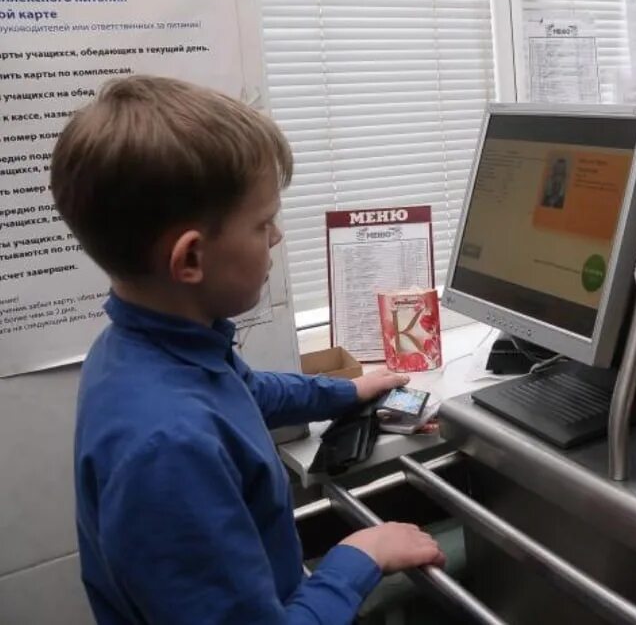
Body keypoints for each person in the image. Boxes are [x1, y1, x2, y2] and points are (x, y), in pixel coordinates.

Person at [53, 76, 446, 625]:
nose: (278, 238)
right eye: (263, 224)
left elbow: (245, 389)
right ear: (190, 259)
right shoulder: (168, 449)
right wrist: (360, 558)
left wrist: (346, 391)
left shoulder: (142, 346)